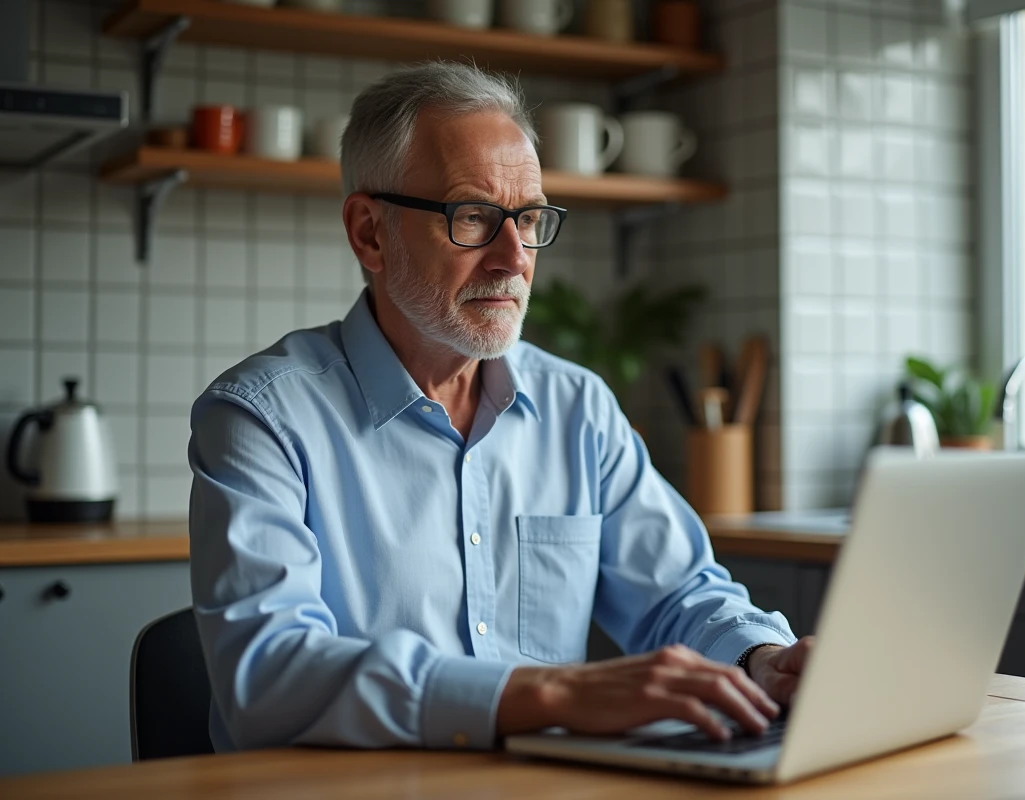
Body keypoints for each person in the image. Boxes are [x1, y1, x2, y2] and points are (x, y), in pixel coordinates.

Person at [188, 61, 812, 753]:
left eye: (530, 218)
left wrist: (761, 659)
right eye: (474, 216)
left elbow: (677, 594)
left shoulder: (578, 408)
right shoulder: (262, 419)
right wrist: (546, 694)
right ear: (370, 233)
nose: (514, 258)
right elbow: (268, 676)